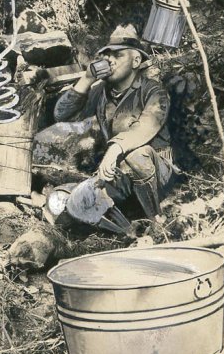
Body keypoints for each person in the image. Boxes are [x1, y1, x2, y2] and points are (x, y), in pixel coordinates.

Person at [53, 24, 174, 220]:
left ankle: (157, 222)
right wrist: (86, 79)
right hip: (118, 171)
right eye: (107, 54)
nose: (109, 59)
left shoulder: (154, 91)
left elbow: (146, 126)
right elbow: (62, 115)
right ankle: (127, 231)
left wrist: (116, 148)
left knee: (137, 156)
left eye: (118, 55)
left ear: (136, 61)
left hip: (158, 172)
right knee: (73, 207)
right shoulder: (102, 91)